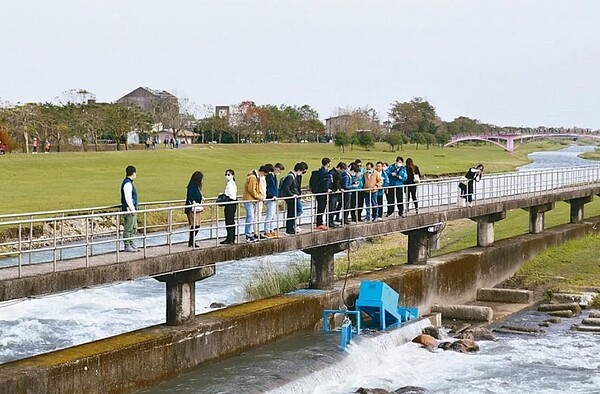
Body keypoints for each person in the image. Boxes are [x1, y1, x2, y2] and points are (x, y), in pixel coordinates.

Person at [242, 166, 267, 242]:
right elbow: (251, 189)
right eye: (264, 174)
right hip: (249, 199)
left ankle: (249, 234)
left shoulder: (255, 176)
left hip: (251, 200)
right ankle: (248, 234)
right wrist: (259, 197)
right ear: (262, 172)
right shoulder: (253, 177)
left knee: (250, 217)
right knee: (250, 216)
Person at [279, 163, 304, 235]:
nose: (301, 173)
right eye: (301, 171)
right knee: (291, 213)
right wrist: (292, 195)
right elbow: (286, 187)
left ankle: (291, 228)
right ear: (299, 170)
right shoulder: (290, 176)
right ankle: (289, 228)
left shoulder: (292, 176)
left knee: (292, 213)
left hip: (292, 198)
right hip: (290, 198)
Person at [120, 165, 139, 252]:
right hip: (129, 209)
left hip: (131, 209)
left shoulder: (129, 183)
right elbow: (128, 198)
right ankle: (127, 245)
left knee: (133, 227)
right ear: (133, 173)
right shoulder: (127, 183)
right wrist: (132, 209)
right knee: (129, 227)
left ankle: (131, 242)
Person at [264, 163, 284, 238]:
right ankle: (267, 230)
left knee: (273, 215)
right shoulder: (269, 176)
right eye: (278, 170)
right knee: (269, 215)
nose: (278, 172)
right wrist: (272, 195)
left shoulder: (273, 176)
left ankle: (271, 229)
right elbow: (268, 188)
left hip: (274, 198)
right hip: (270, 198)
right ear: (275, 168)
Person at [184, 171, 204, 247]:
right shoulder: (191, 186)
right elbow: (190, 196)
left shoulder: (197, 187)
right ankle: (191, 241)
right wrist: (193, 202)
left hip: (197, 208)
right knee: (195, 224)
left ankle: (192, 241)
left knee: (197, 225)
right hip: (192, 208)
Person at [312, 157, 331, 230]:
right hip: (322, 192)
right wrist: (326, 189)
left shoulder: (322, 171)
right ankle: (319, 223)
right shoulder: (324, 172)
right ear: (327, 163)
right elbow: (324, 183)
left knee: (321, 208)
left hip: (320, 192)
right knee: (321, 208)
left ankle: (320, 222)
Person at [220, 169, 237, 244]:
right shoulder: (231, 183)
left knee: (229, 221)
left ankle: (230, 238)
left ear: (232, 175)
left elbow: (230, 194)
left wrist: (223, 195)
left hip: (230, 202)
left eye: (229, 174)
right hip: (232, 202)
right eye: (226, 174)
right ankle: (231, 238)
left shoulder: (231, 184)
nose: (227, 176)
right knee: (231, 220)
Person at [257, 163, 273, 238]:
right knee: (256, 216)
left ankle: (258, 232)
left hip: (262, 198)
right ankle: (257, 233)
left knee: (260, 216)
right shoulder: (257, 177)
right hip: (259, 199)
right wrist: (259, 197)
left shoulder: (262, 177)